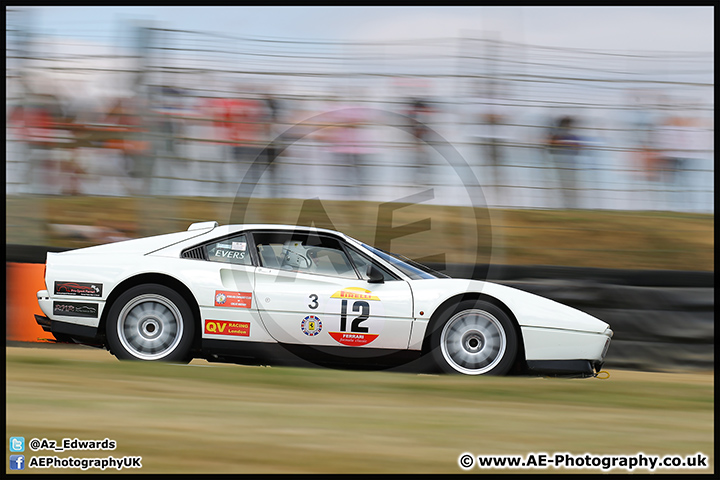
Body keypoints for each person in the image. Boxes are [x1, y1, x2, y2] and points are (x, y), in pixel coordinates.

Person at [545, 116, 583, 209]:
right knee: (567, 186)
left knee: (568, 186)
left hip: (568, 165)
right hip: (565, 165)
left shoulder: (560, 137)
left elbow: (578, 149)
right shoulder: (559, 137)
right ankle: (569, 205)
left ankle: (571, 205)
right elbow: (578, 150)